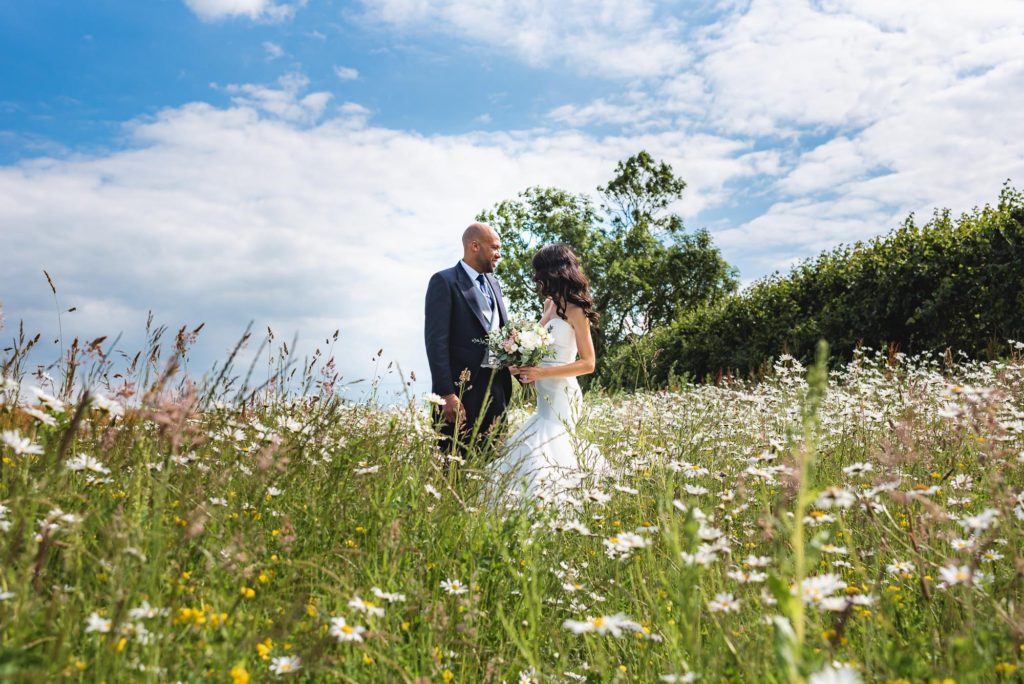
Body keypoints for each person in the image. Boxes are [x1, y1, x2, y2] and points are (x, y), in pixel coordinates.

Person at [488, 243, 611, 504]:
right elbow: (537, 347)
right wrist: (517, 363)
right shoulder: (549, 305)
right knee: (536, 445)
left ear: (554, 271)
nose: (537, 279)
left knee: (551, 445)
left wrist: (541, 374)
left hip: (562, 394)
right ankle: (529, 503)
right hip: (543, 393)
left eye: (539, 271)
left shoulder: (577, 310)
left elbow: (588, 363)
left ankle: (559, 503)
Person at [424, 223, 513, 459]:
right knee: (453, 466)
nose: (499, 253)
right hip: (460, 395)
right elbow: (436, 342)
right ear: (475, 246)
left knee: (493, 466)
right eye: (494, 247)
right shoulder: (444, 281)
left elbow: (499, 331)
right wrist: (445, 393)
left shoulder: (494, 285)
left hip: (497, 393)